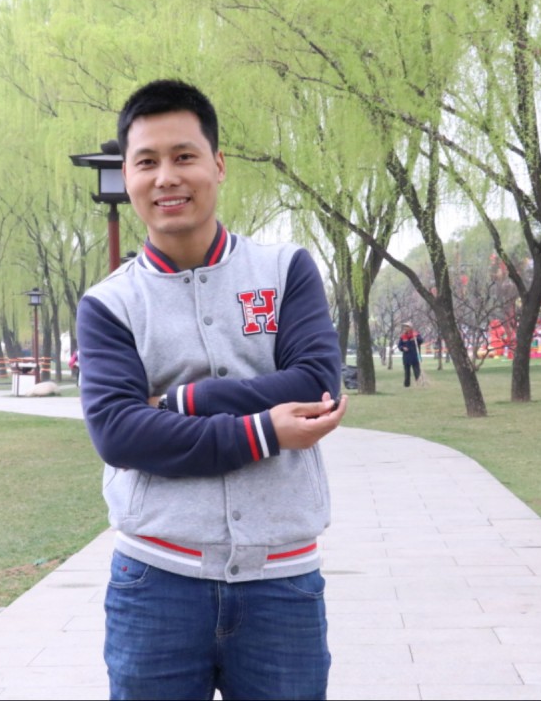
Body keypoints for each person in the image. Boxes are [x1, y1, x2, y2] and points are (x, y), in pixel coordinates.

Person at [76, 79, 348, 701]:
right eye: (147, 162)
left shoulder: (285, 270)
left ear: (218, 165)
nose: (166, 177)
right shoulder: (109, 304)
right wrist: (265, 430)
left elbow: (315, 383)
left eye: (184, 156)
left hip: (283, 581)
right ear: (128, 175)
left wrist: (176, 403)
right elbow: (120, 433)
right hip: (156, 582)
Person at [397, 321, 423, 387]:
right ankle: (406, 384)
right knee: (407, 372)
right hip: (406, 357)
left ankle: (419, 383)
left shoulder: (416, 334)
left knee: (417, 371)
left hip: (415, 356)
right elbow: (399, 346)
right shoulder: (403, 336)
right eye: (405, 326)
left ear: (410, 327)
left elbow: (421, 341)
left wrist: (416, 338)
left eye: (407, 326)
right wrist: (403, 348)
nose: (405, 328)